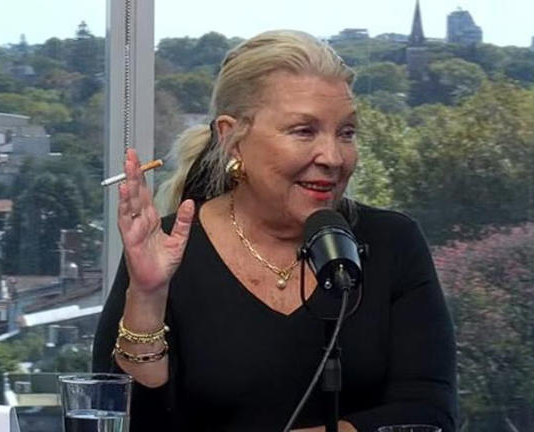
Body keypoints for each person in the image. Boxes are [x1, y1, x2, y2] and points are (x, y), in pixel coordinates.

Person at [93, 30, 457, 431]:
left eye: (346, 133)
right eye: (304, 131)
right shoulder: (165, 250)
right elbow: (124, 420)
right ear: (232, 139)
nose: (333, 157)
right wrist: (147, 297)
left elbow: (428, 415)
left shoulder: (393, 243)